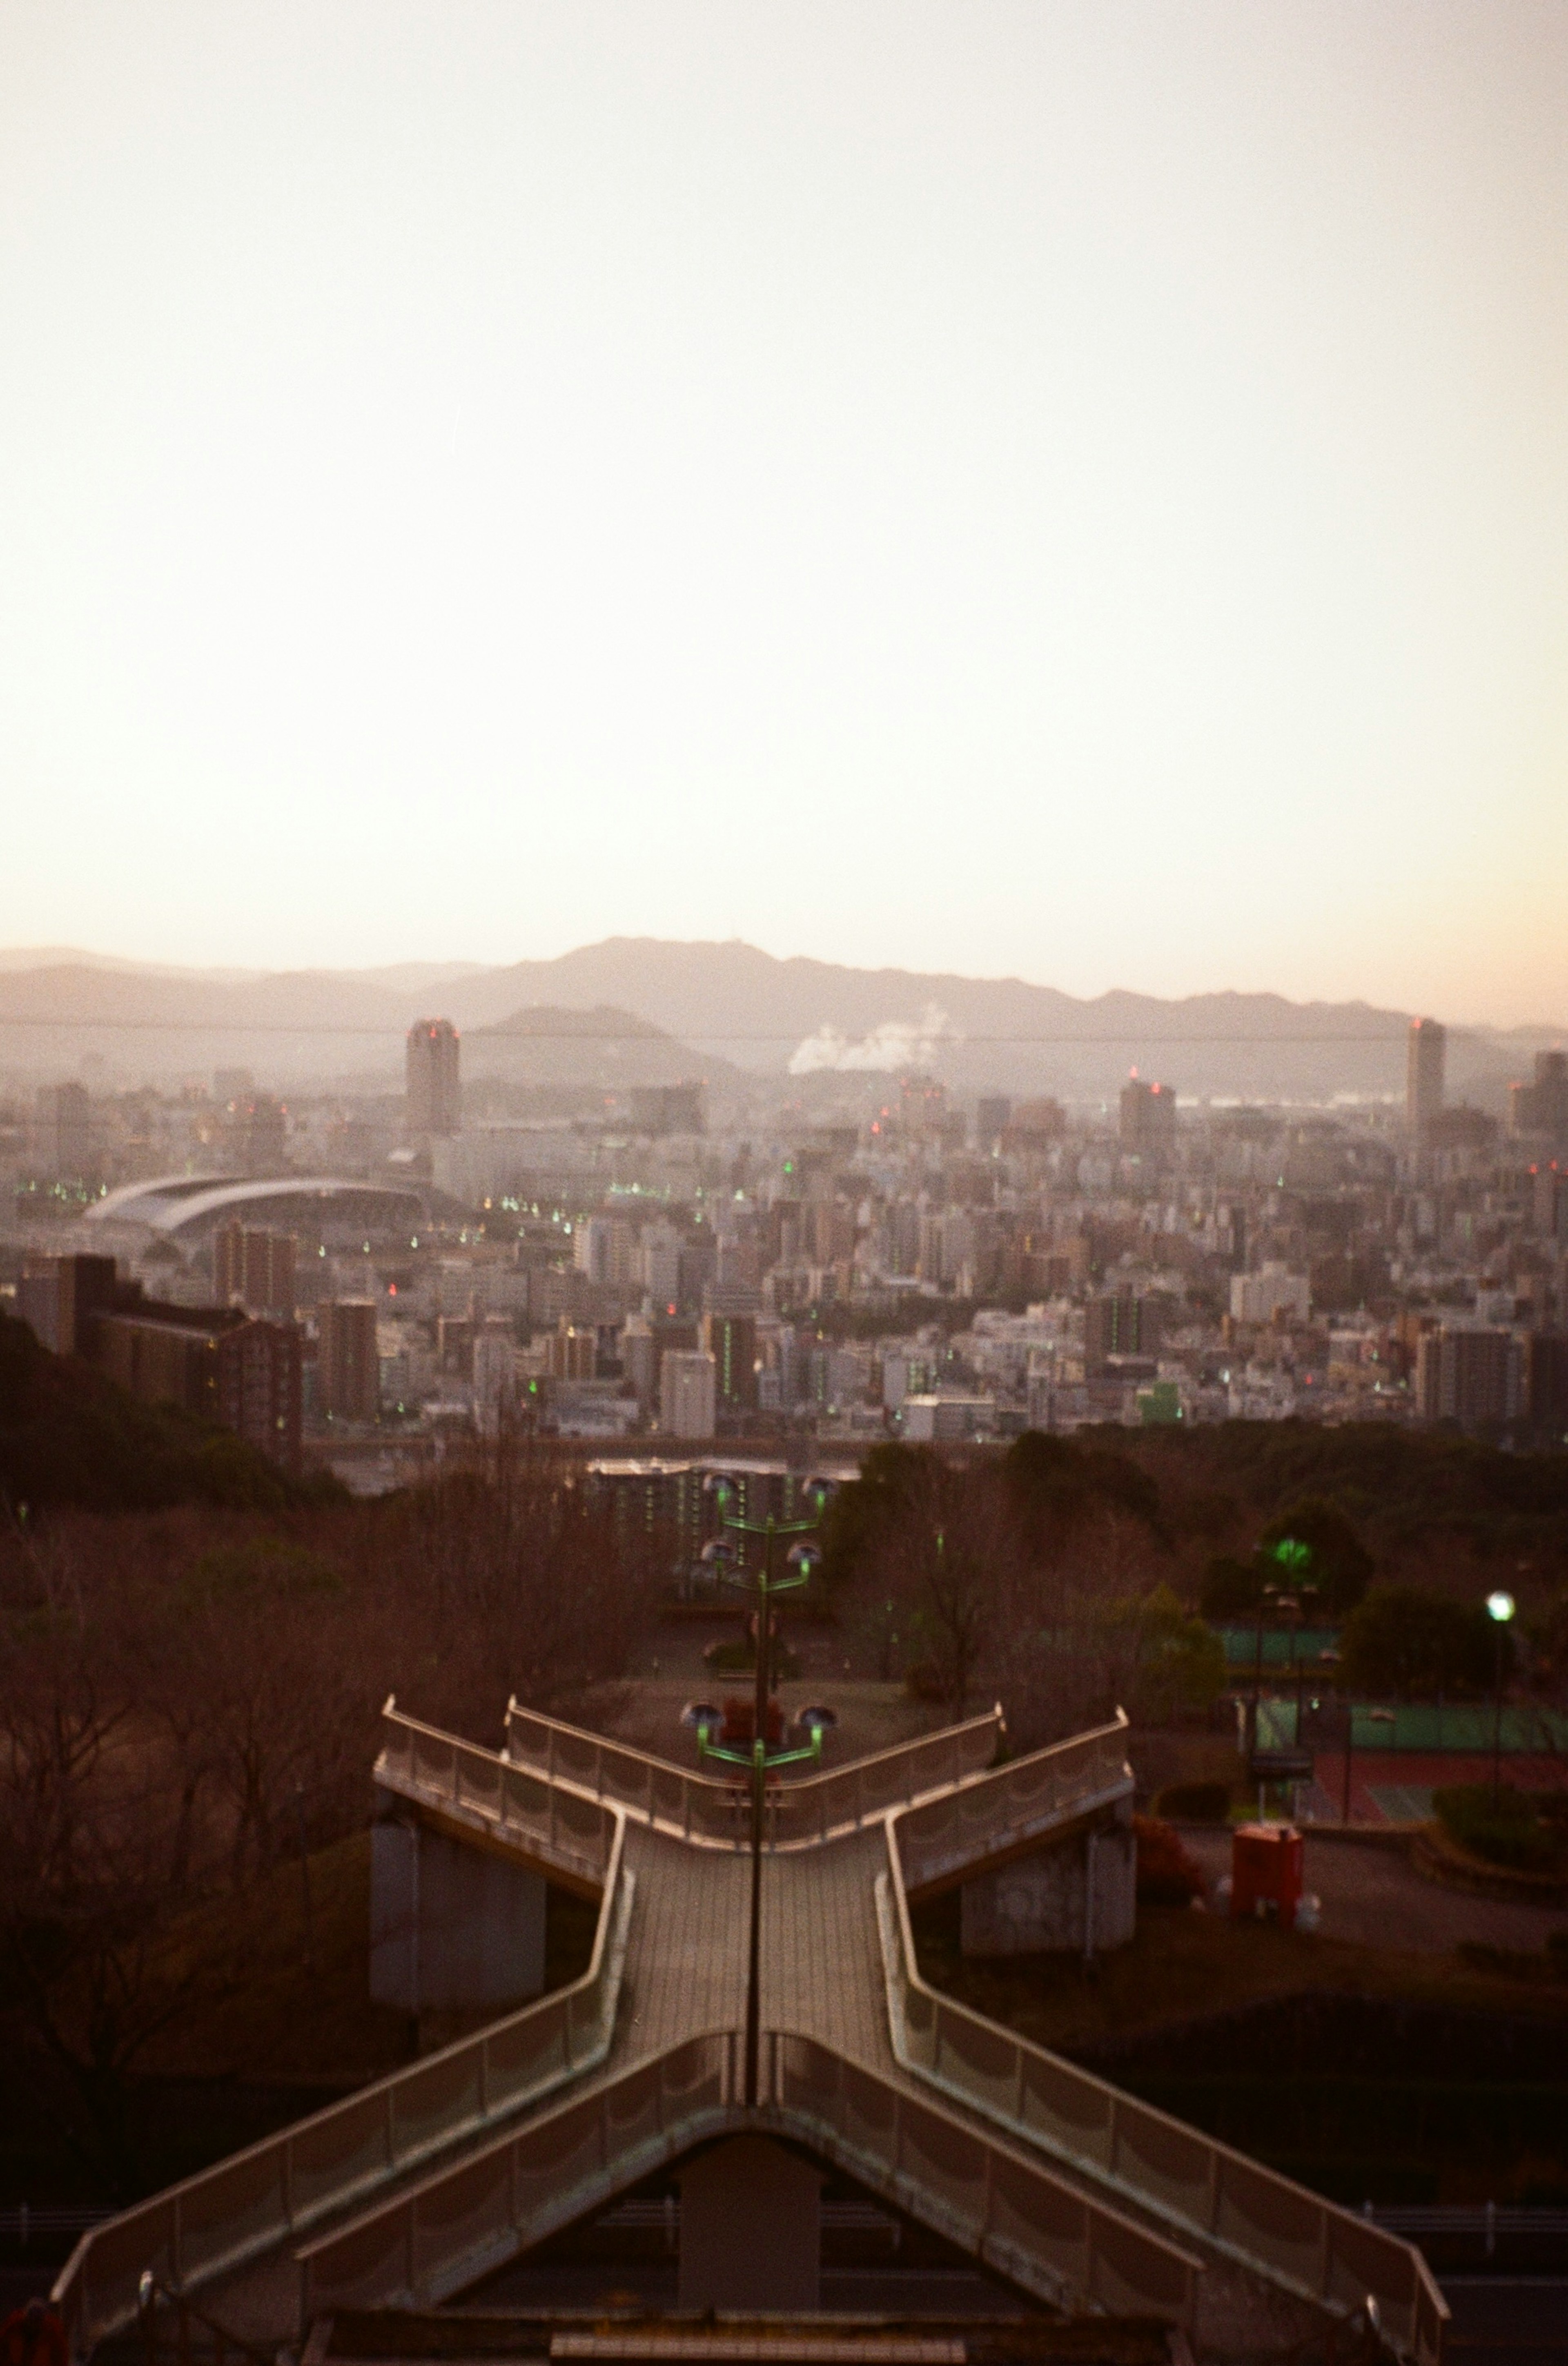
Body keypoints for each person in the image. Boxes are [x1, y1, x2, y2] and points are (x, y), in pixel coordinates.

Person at [0, 2298, 68, 2366]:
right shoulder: (12, 2328)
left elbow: (61, 2359)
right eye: (31, 2320)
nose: (33, 2324)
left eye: (37, 2321)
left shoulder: (53, 2334)